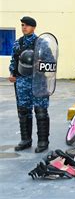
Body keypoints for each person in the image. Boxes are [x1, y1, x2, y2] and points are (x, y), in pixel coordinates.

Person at [9, 17, 51, 153]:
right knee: (23, 111)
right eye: (22, 25)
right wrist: (12, 73)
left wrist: (39, 65)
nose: (24, 27)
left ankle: (43, 141)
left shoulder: (42, 43)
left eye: (26, 25)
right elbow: (13, 60)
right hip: (22, 83)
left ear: (33, 27)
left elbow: (50, 62)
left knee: (41, 111)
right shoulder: (18, 43)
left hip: (38, 82)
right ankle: (26, 140)